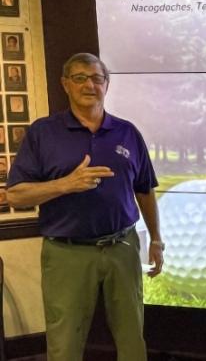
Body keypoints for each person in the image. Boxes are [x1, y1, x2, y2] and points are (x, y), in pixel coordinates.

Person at [7, 53, 163, 361]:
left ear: (107, 84)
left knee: (132, 338)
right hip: (67, 253)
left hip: (122, 247)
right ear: (65, 84)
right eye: (79, 78)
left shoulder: (127, 132)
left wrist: (156, 240)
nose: (89, 84)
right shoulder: (43, 133)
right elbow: (15, 196)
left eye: (96, 78)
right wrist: (66, 184)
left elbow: (144, 189)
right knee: (64, 342)